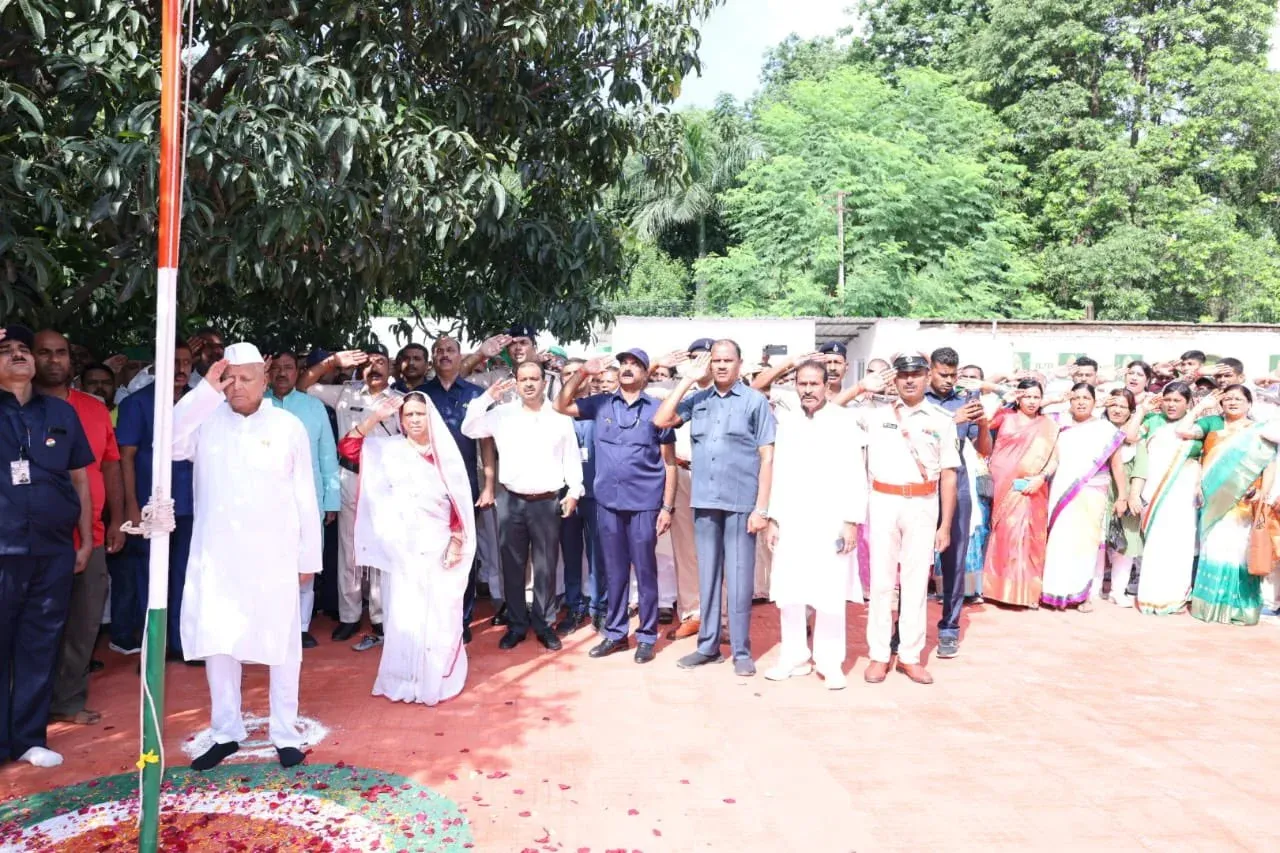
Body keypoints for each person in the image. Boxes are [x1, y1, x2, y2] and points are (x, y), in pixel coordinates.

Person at [173, 343, 321, 771]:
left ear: (264, 377)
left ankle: (285, 733)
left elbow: (304, 494)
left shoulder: (288, 425)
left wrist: (308, 557)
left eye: (245, 377)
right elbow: (169, 441)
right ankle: (225, 732)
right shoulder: (205, 421)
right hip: (218, 555)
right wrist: (205, 390)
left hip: (275, 554)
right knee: (220, 644)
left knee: (283, 646)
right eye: (229, 378)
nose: (236, 386)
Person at [340, 392, 476, 702]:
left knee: (440, 613)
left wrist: (456, 540)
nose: (414, 420)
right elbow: (348, 448)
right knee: (405, 612)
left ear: (430, 417)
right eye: (408, 415)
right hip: (402, 549)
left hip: (438, 543)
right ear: (400, 420)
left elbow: (457, 501)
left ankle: (436, 678)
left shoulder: (444, 453)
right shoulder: (389, 450)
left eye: (419, 414)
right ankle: (405, 678)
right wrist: (375, 418)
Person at [0, 325, 94, 768]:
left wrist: (87, 537)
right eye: (6, 350)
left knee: (40, 645)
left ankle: (28, 739)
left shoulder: (60, 412)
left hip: (53, 549)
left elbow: (80, 479)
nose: (18, 355)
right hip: (4, 549)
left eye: (23, 349)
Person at [654, 341, 776, 678]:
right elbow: (661, 420)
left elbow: (767, 457)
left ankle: (740, 650)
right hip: (705, 501)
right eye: (716, 361)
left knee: (739, 579)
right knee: (706, 577)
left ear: (740, 363)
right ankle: (707, 647)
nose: (721, 366)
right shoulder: (699, 399)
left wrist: (762, 509)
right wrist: (687, 380)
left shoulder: (754, 401)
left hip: (740, 503)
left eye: (727, 360)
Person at [555, 349, 677, 664]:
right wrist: (583, 372)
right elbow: (561, 405)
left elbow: (670, 463)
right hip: (608, 502)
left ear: (647, 373)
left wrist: (667, 507)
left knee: (645, 571)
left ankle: (646, 636)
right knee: (614, 571)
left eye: (635, 365)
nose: (627, 368)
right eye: (624, 363)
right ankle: (616, 633)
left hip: (644, 503)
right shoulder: (601, 403)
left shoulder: (658, 409)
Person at [848, 353, 958, 685]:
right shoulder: (875, 414)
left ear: (927, 377)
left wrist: (945, 525)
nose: (910, 380)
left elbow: (949, 475)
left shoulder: (941, 419)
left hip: (923, 504)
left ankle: (909, 656)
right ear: (894, 379)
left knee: (915, 583)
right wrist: (860, 387)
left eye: (917, 374)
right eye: (903, 375)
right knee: (881, 583)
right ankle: (879, 655)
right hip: (883, 500)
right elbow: (831, 411)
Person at [33, 330, 125, 728]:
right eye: (44, 352)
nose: (54, 360)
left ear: (71, 360)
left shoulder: (93, 408)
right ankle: (26, 706)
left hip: (92, 536)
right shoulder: (15, 408)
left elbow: (111, 465)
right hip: (34, 540)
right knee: (35, 626)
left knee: (84, 622)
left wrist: (118, 518)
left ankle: (67, 701)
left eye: (60, 353)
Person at [462, 361, 583, 651]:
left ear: (544, 382)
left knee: (545, 566)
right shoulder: (502, 414)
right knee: (512, 565)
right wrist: (487, 397)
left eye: (534, 378)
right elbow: (469, 428)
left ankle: (543, 624)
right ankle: (516, 625)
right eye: (523, 379)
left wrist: (574, 491)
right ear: (516, 383)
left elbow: (571, 456)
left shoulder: (559, 416)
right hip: (511, 500)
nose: (528, 384)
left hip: (547, 501)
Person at [763, 360, 866, 689]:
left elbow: (856, 473)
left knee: (829, 591)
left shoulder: (844, 421)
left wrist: (851, 521)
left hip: (830, 520)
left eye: (814, 384)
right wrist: (774, 518)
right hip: (792, 519)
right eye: (802, 383)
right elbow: (779, 472)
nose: (807, 390)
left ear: (826, 386)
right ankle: (793, 656)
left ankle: (829, 662)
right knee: (790, 590)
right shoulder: (787, 421)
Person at [298, 345, 397, 648]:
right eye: (368, 363)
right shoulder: (345, 393)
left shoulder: (401, 400)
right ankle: (350, 615)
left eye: (380, 362)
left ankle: (380, 616)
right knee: (349, 548)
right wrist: (331, 362)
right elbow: (304, 386)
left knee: (381, 548)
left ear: (390, 367)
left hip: (385, 481)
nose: (374, 368)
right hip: (350, 477)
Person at [113, 340, 197, 660]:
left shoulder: (199, 402)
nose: (181, 368)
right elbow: (126, 457)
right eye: (174, 361)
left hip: (191, 503)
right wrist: (131, 505)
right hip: (151, 505)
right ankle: (153, 649)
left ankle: (179, 642)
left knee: (184, 574)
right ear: (158, 365)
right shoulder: (137, 403)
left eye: (186, 362)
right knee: (150, 576)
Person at [1177, 386, 1280, 625]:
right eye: (1228, 399)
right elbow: (1182, 430)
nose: (1232, 402)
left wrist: (1263, 493)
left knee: (1238, 552)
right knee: (1213, 548)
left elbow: (1269, 464)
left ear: (1249, 403)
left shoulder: (1260, 430)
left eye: (1238, 399)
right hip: (1212, 498)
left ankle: (1237, 608)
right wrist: (1201, 407)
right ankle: (1209, 607)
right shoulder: (1212, 425)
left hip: (1244, 501)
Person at [421, 335, 495, 645]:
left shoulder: (476, 395)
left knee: (463, 552)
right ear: (433, 358)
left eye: (450, 350)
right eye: (438, 350)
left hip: (465, 485)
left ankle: (462, 619)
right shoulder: (421, 395)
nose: (444, 355)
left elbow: (486, 442)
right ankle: (435, 617)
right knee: (430, 552)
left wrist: (488, 485)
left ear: (460, 355)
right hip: (428, 486)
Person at [266, 352, 340, 649]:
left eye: (288, 368)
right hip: (266, 501)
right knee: (268, 562)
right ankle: (271, 626)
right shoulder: (257, 406)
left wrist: (331, 500)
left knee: (305, 561)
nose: (282, 373)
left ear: (298, 372)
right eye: (276, 368)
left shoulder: (313, 407)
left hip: (308, 499)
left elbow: (327, 456)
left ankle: (301, 627)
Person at [924, 346, 991, 658]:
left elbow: (984, 449)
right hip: (923, 484)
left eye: (953, 375)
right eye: (943, 374)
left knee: (955, 559)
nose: (949, 380)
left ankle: (949, 628)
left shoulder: (965, 402)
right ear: (930, 371)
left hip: (958, 483)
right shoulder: (918, 400)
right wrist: (953, 420)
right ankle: (903, 628)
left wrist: (984, 423)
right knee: (914, 558)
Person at [1039, 384, 1127, 611]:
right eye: (1076, 398)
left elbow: (1117, 465)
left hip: (1092, 492)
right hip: (1061, 491)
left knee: (1086, 543)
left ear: (1095, 402)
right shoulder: (1059, 424)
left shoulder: (1106, 429)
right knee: (1059, 540)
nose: (1080, 402)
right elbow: (1035, 410)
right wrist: (1056, 399)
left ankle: (1080, 595)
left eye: (1086, 398)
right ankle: (1055, 592)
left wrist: (1122, 496)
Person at [982, 379, 1060, 608]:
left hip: (1034, 488)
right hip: (1005, 486)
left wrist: (1041, 477)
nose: (1032, 401)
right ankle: (998, 590)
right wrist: (1002, 397)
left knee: (1029, 538)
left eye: (1036, 397)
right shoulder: (1005, 416)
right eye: (1027, 396)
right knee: (1006, 535)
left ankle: (1027, 593)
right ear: (1019, 397)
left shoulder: (1048, 424)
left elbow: (1054, 457)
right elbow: (984, 422)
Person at [1133, 382, 1201, 615]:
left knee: (1179, 543)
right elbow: (1130, 436)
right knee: (1156, 543)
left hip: (1183, 492)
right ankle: (1151, 596)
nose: (1171, 405)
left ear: (1188, 403)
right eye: (1168, 400)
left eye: (1177, 400)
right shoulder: (1153, 421)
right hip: (1155, 491)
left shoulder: (1197, 425)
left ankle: (1175, 598)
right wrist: (1141, 410)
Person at [554, 358, 605, 635]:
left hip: (597, 493)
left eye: (579, 372)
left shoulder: (601, 407)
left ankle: (600, 607)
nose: (574, 377)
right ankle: (574, 605)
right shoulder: (554, 412)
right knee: (571, 554)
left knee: (599, 554)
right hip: (566, 494)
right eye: (568, 373)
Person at [1102, 390, 1147, 606]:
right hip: (1099, 490)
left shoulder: (1138, 435)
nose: (1117, 410)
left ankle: (1117, 590)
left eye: (1123, 407)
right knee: (1097, 542)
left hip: (1126, 493)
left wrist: (1132, 495)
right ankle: (1093, 588)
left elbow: (1140, 467)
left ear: (1131, 411)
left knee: (1125, 543)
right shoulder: (1098, 429)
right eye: (1114, 405)